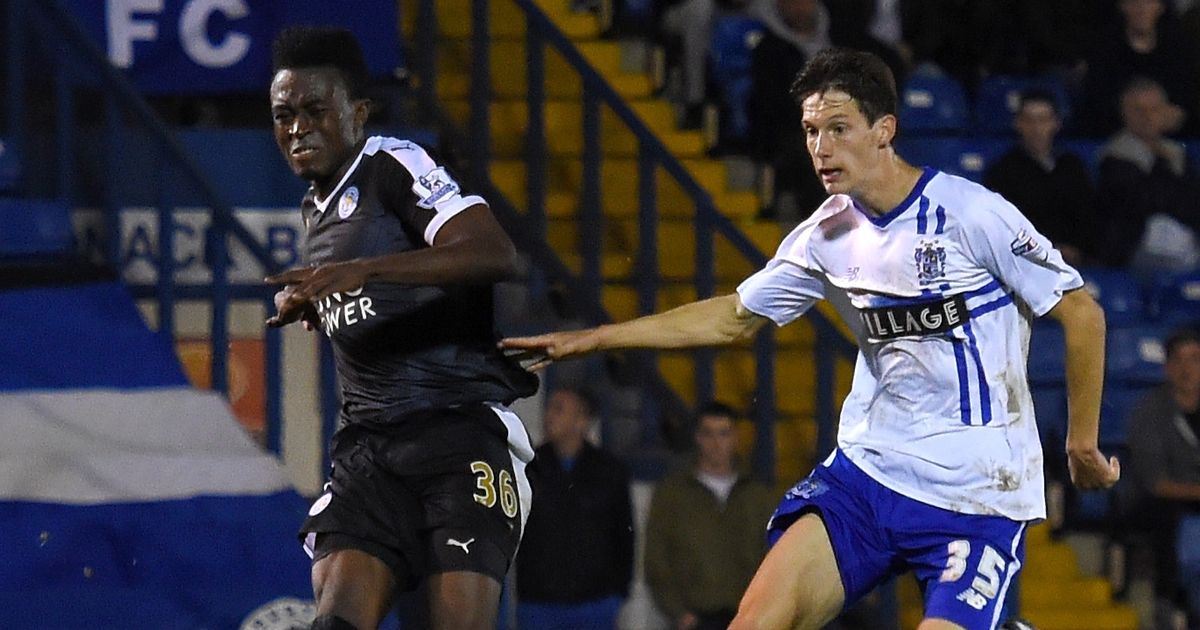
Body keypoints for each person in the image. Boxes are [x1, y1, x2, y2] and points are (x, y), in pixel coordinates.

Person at [501, 47, 1121, 630]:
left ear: (885, 129)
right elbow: (733, 317)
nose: (821, 148)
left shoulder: (970, 214)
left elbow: (1082, 315)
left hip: (978, 492)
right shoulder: (826, 234)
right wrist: (594, 338)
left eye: (839, 129)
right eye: (810, 132)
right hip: (868, 477)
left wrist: (1081, 445)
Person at [263, 27, 539, 630]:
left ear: (357, 112)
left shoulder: (391, 162)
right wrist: (319, 301)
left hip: (456, 437)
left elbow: (492, 252)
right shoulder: (317, 207)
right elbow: (375, 289)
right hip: (368, 451)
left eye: (315, 109)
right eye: (284, 114)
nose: (297, 127)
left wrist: (358, 272)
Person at [643, 402, 776, 630]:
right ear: (697, 438)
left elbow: (772, 553)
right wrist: (679, 613)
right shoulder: (673, 494)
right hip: (695, 618)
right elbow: (657, 558)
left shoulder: (757, 495)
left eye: (724, 434)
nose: (716, 443)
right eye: (708, 434)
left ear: (735, 438)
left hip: (747, 616)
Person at [515, 387, 634, 629]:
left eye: (559, 409)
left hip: (595, 602)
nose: (549, 416)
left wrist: (618, 593)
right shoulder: (530, 466)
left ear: (581, 421)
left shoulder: (609, 471)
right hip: (539, 602)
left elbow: (624, 535)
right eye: (549, 408)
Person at [1126, 327, 1200, 629]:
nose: (1187, 369)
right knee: (1164, 518)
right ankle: (1168, 603)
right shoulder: (1149, 411)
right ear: (1167, 367)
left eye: (1195, 359)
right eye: (1179, 360)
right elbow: (1155, 482)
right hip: (1163, 504)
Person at [1095, 77, 1200, 273]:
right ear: (1125, 113)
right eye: (1138, 110)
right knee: (1162, 228)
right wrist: (1163, 165)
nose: (1147, 116)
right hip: (1132, 245)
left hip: (1186, 238)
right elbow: (1145, 201)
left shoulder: (1176, 152)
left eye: (1154, 109)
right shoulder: (1115, 155)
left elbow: (1192, 202)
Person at [983, 89, 1098, 267]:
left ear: (1056, 123)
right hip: (1024, 262)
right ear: (1018, 123)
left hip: (1077, 260)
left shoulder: (1072, 165)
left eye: (1043, 120)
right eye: (1029, 120)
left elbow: (1088, 214)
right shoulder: (1002, 172)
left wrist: (1078, 249)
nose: (1036, 128)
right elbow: (1002, 226)